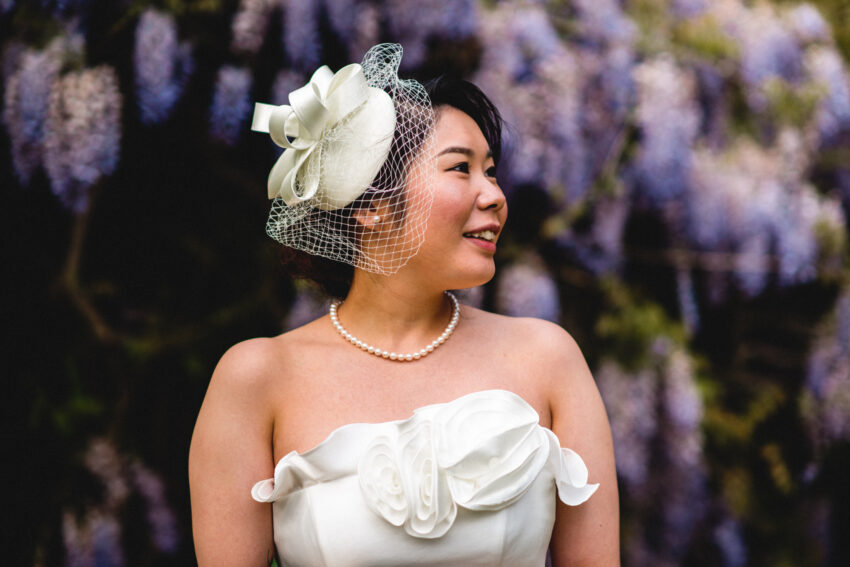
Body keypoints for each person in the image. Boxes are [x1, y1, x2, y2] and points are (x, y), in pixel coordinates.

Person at [189, 44, 619, 566]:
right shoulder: (257, 378)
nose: (494, 196)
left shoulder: (547, 358)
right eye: (461, 169)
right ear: (371, 206)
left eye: (492, 171)